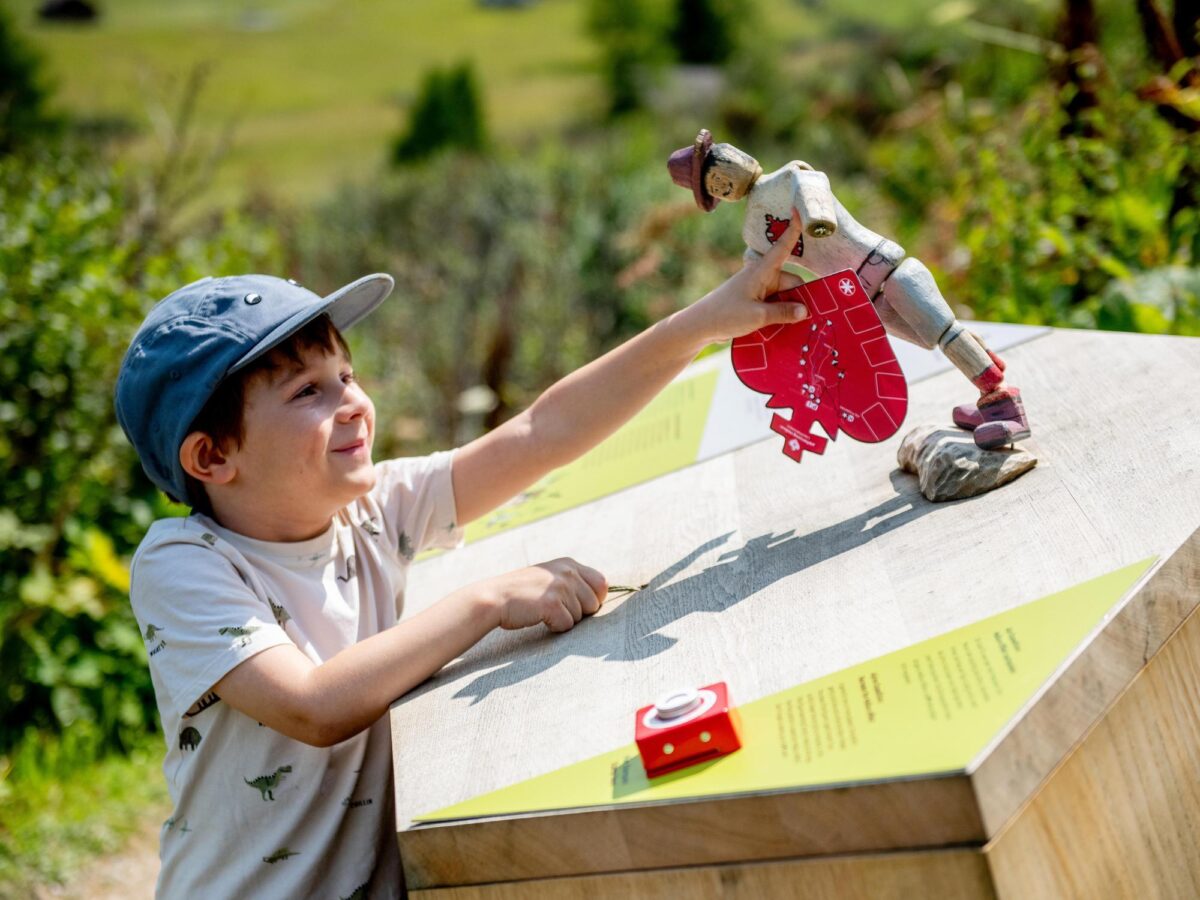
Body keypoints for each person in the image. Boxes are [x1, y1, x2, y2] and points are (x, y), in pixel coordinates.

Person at [113, 219, 810, 898]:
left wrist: (703, 323)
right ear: (212, 456)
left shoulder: (376, 509)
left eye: (347, 375)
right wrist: (486, 601)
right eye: (308, 392)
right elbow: (312, 705)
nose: (353, 403)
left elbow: (544, 430)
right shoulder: (184, 564)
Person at [667, 129, 1032, 450]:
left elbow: (815, 200)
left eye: (721, 171)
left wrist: (815, 219)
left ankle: (1003, 403)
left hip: (887, 269)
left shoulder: (793, 175)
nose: (723, 184)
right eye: (714, 187)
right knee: (932, 337)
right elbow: (762, 271)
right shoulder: (751, 231)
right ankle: (987, 386)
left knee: (944, 330)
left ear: (740, 157)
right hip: (859, 298)